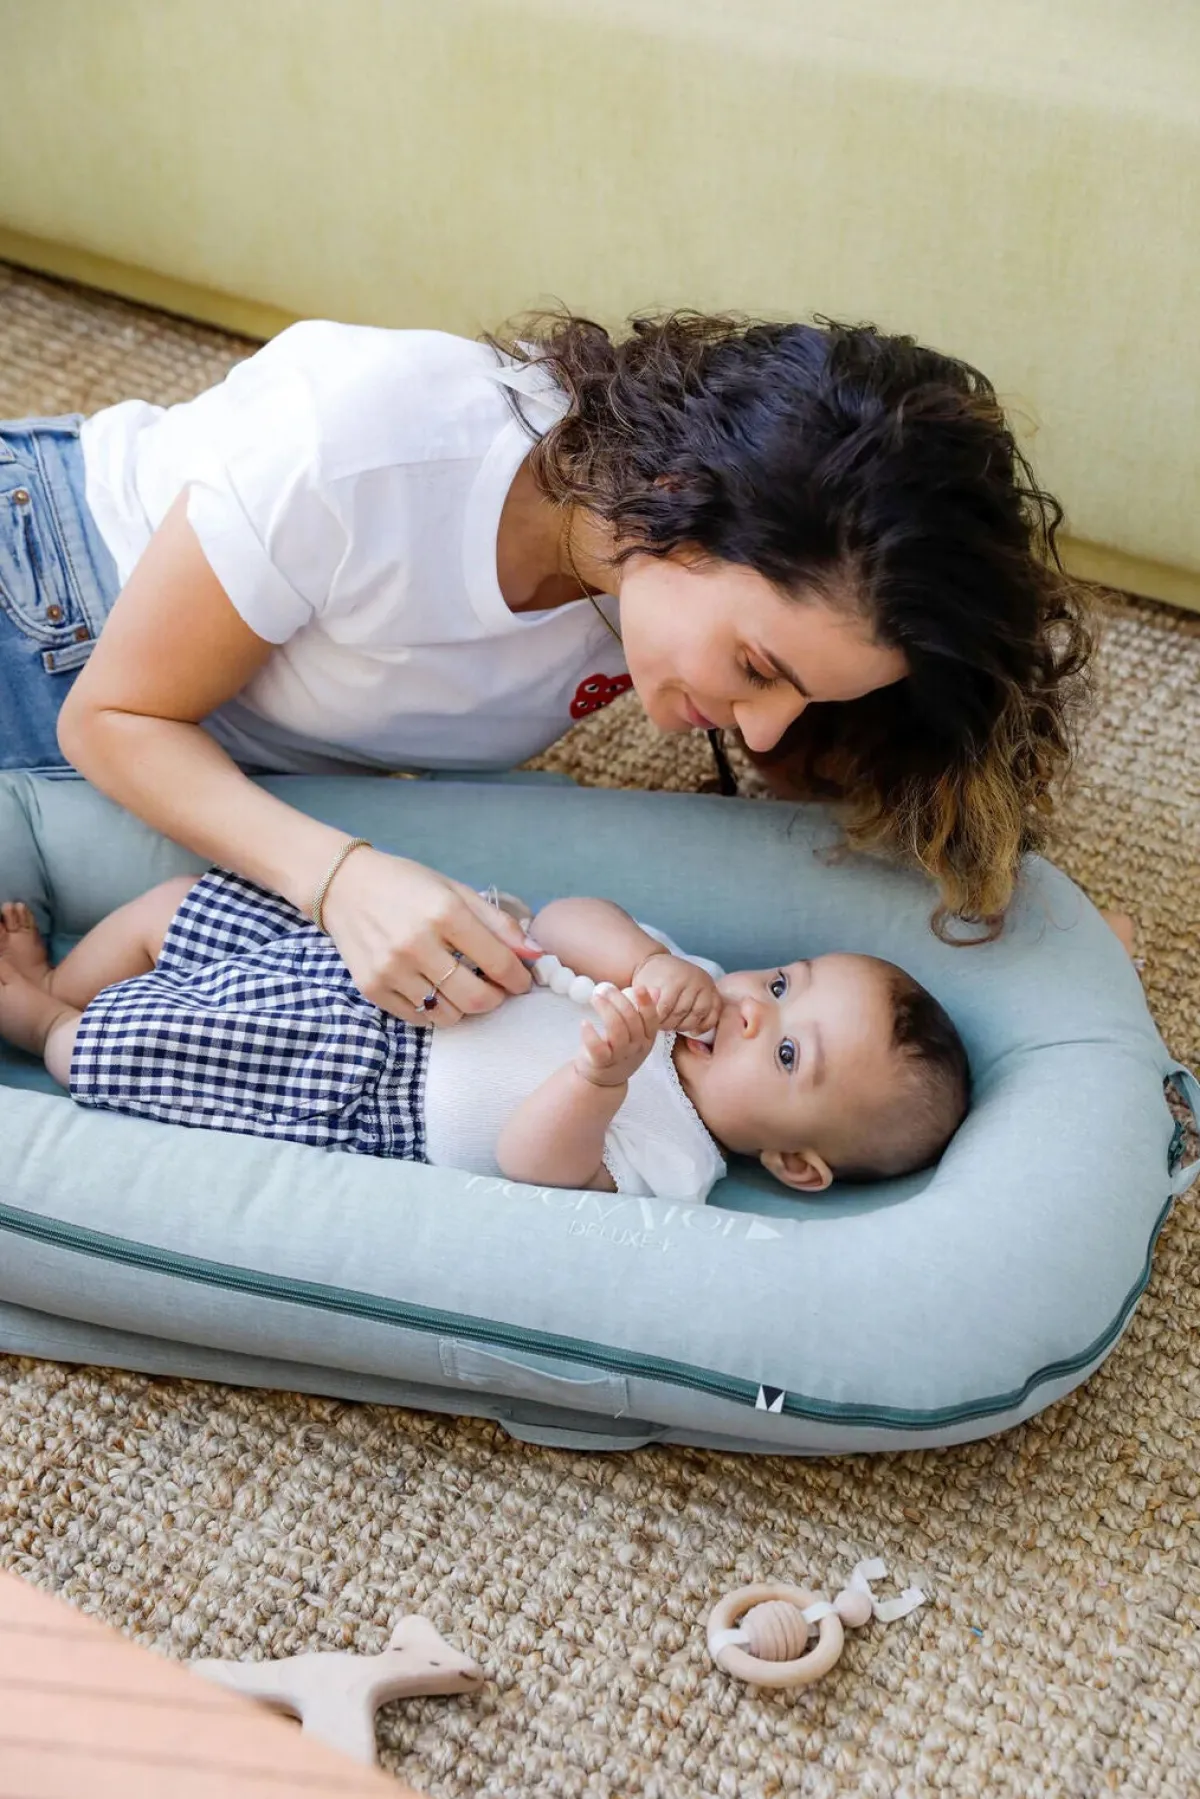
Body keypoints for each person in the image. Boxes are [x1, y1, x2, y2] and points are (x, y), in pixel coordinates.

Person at [0, 311, 1092, 1026]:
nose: (761, 731)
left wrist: (1034, 947)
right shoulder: (372, 443)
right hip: (55, 607)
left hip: (196, 742)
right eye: (760, 668)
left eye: (801, 694)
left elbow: (862, 816)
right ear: (678, 498)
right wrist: (341, 880)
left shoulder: (653, 571)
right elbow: (111, 717)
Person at [0, 884, 969, 1201]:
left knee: (114, 1050)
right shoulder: (688, 982)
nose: (754, 1010)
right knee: (176, 909)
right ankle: (59, 982)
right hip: (390, 958)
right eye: (784, 982)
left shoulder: (681, 1160)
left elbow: (533, 1164)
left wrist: (599, 1077)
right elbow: (561, 918)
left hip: (358, 1078)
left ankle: (39, 1019)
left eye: (790, 1055)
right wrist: (643, 957)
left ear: (794, 1162)